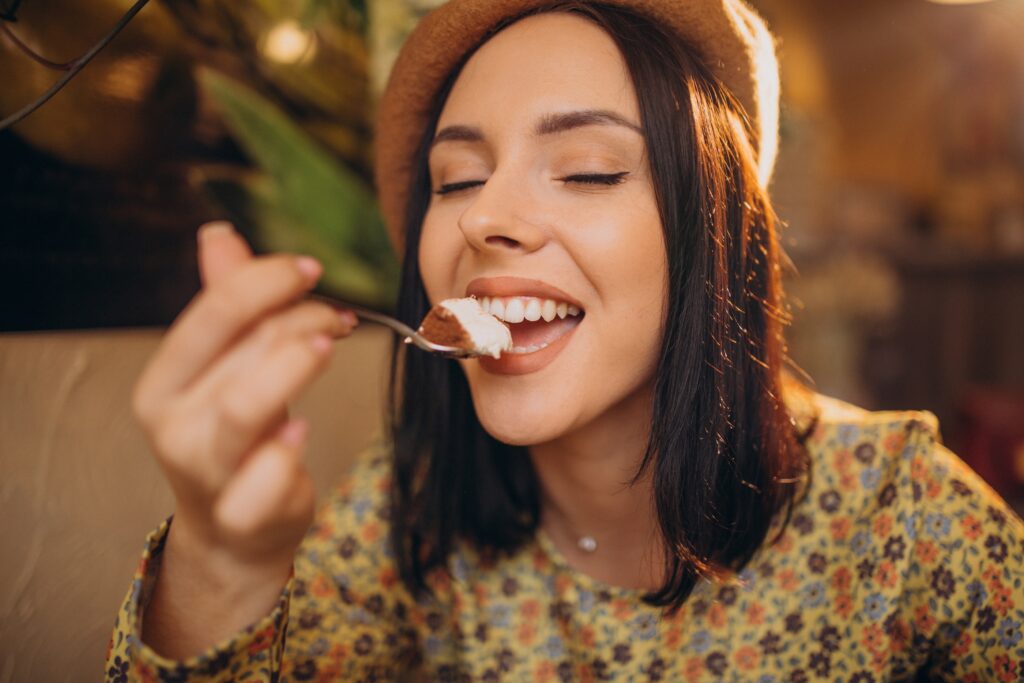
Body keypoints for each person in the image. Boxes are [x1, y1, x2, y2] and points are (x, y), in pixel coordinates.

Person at [105, 1, 1024, 681]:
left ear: (715, 231)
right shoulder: (399, 524)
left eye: (588, 168)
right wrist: (221, 562)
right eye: (457, 180)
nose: (486, 217)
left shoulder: (906, 520)